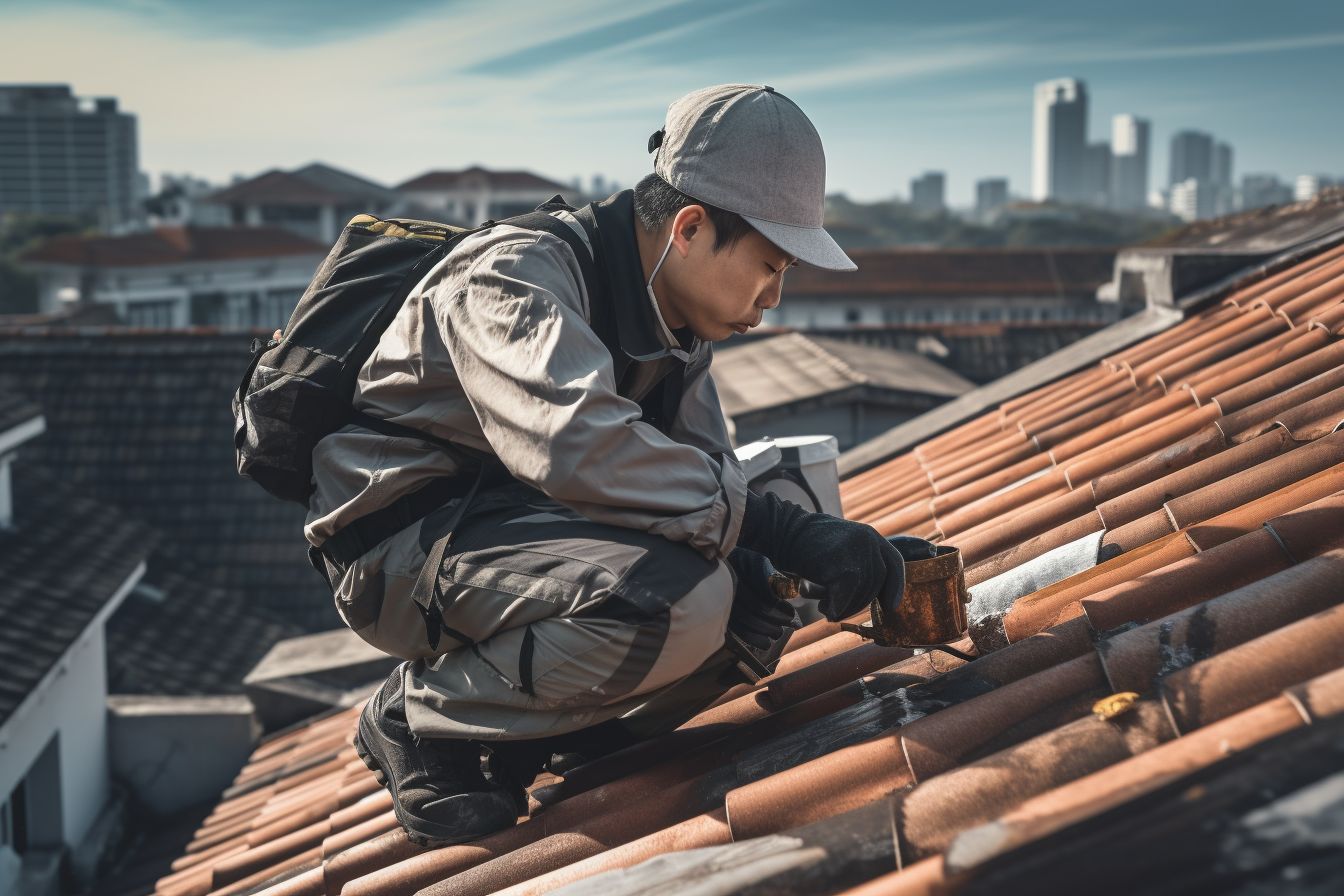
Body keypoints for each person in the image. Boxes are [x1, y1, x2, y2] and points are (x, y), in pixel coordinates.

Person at [306, 84, 917, 846]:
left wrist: (835, 559)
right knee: (677, 601)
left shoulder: (675, 327)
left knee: (751, 611)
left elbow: (702, 482)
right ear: (689, 228)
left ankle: (534, 737)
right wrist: (784, 531)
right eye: (769, 265)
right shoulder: (513, 276)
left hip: (522, 536)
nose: (774, 298)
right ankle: (417, 716)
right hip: (401, 552)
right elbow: (578, 447)